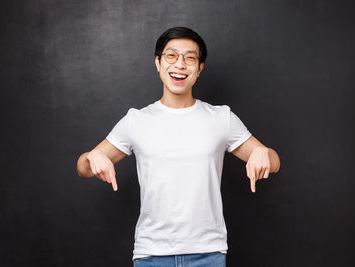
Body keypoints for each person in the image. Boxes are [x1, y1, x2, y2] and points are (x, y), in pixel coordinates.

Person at [76, 26, 280, 267]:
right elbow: (83, 168)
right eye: (171, 55)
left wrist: (260, 152)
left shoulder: (221, 118)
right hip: (151, 254)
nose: (180, 64)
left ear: (200, 68)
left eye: (190, 58)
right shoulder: (136, 121)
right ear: (158, 62)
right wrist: (93, 156)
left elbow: (274, 162)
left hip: (208, 254)